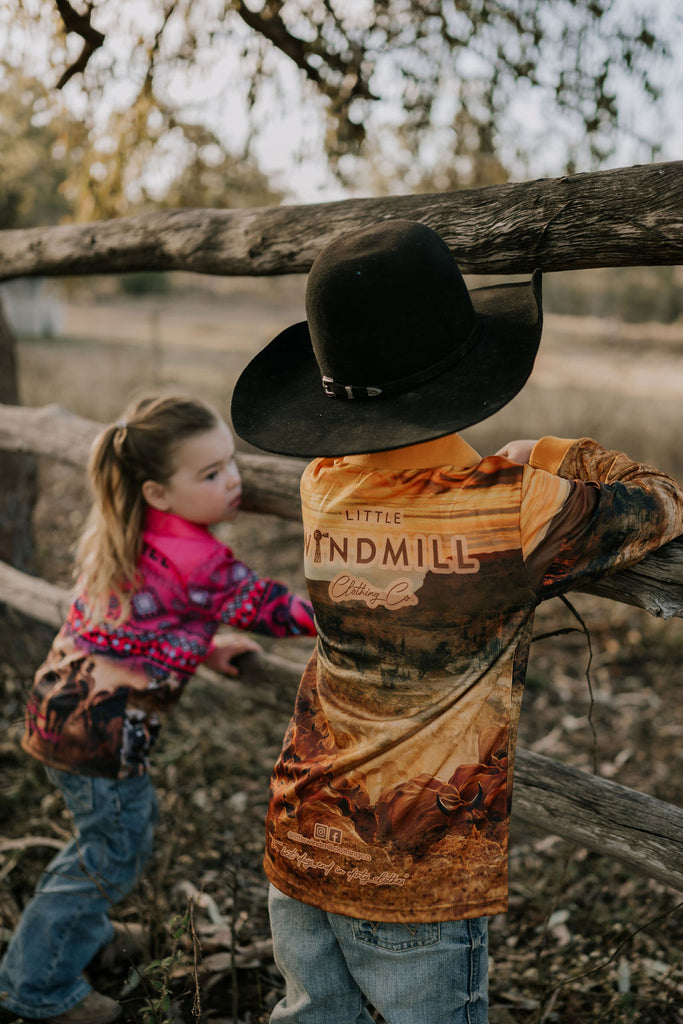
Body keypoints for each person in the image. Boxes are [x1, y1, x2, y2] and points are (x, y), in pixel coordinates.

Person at [230, 220, 683, 1024]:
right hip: (417, 876)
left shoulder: (323, 483)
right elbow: (661, 499)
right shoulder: (518, 507)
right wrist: (544, 451)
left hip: (300, 833)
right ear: (467, 367)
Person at [0, 394, 316, 1024]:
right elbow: (289, 613)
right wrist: (364, 597)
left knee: (111, 841)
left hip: (63, 716)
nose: (235, 480)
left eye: (231, 463)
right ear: (158, 492)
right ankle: (36, 985)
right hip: (102, 739)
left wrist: (202, 642)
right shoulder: (201, 561)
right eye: (211, 473)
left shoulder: (127, 532)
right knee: (111, 854)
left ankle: (78, 934)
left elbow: (146, 623)